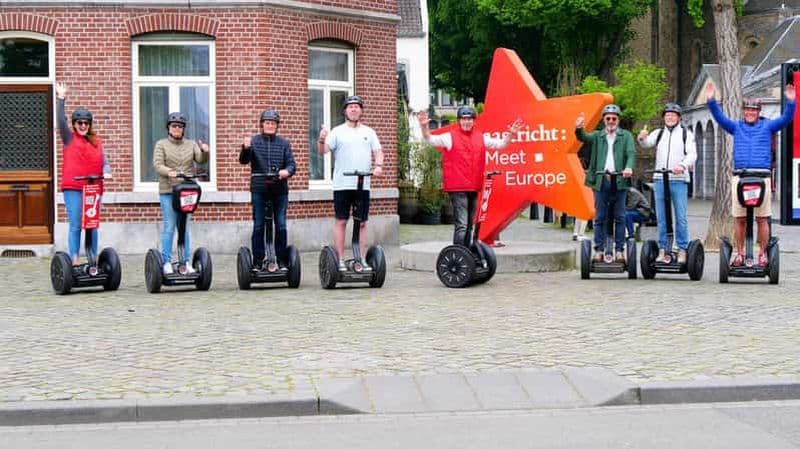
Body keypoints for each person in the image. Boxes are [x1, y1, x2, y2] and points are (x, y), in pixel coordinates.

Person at [706, 83, 796, 266]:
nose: (750, 113)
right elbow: (720, 118)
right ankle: (739, 254)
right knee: (739, 219)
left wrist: (791, 101)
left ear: (758, 112)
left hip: (761, 177)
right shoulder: (736, 126)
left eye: (753, 110)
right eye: (747, 110)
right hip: (740, 176)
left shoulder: (768, 126)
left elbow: (786, 118)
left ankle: (762, 254)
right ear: (743, 111)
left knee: (762, 219)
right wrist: (711, 100)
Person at [417, 106, 522, 246]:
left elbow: (501, 144)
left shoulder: (481, 137)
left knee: (470, 225)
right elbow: (429, 139)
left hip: (473, 186)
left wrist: (511, 134)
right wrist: (424, 127)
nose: (467, 122)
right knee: (462, 224)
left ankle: (466, 254)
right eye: (464, 119)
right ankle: (459, 255)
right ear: (459, 120)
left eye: (469, 119)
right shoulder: (450, 137)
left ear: (474, 121)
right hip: (457, 187)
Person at [317, 96, 384, 272]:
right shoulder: (337, 131)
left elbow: (378, 151)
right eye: (350, 107)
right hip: (342, 184)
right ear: (345, 111)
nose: (353, 109)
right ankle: (339, 259)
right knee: (341, 221)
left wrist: (378, 166)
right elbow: (323, 151)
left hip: (363, 184)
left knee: (361, 222)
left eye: (356, 107)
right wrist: (322, 138)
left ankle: (360, 258)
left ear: (361, 110)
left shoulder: (369, 132)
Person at [55, 83, 112, 266]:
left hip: (94, 188)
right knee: (76, 224)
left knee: (92, 223)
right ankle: (73, 258)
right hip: (73, 188)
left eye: (86, 123)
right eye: (79, 123)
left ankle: (92, 258)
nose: (83, 125)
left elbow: (104, 161)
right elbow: (60, 121)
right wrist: (61, 99)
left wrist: (107, 171)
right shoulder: (69, 137)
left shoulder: (97, 141)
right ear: (74, 124)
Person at [637, 103, 697, 263]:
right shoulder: (659, 133)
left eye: (673, 115)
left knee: (680, 216)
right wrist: (641, 138)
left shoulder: (686, 134)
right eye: (667, 115)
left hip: (678, 180)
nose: (670, 117)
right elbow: (646, 143)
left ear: (679, 118)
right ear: (664, 117)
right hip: (660, 179)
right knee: (662, 217)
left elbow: (692, 154)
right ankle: (663, 249)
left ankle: (682, 249)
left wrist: (682, 166)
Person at [576, 104, 636, 262]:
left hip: (620, 180)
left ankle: (619, 251)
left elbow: (631, 153)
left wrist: (628, 167)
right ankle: (599, 250)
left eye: (614, 118)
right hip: (601, 180)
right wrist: (579, 128)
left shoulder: (626, 136)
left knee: (620, 217)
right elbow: (583, 137)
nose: (611, 121)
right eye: (608, 118)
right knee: (600, 217)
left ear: (618, 120)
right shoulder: (597, 136)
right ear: (603, 120)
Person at [153, 112, 210, 275]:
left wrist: (205, 151)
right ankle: (166, 262)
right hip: (169, 191)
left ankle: (185, 261)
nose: (177, 129)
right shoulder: (161, 144)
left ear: (183, 129)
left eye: (180, 126)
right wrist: (169, 171)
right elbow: (157, 164)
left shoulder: (191, 144)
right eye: (174, 126)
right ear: (169, 128)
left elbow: (200, 159)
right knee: (169, 227)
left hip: (186, 191)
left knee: (184, 227)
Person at [240, 109, 296, 271]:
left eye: (273, 123)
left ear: (277, 126)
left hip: (279, 190)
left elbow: (292, 164)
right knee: (259, 225)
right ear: (262, 124)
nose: (270, 125)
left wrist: (287, 171)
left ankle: (282, 260)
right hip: (259, 189)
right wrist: (245, 148)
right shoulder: (254, 141)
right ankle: (258, 261)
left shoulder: (284, 143)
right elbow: (244, 161)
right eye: (267, 123)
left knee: (280, 225)